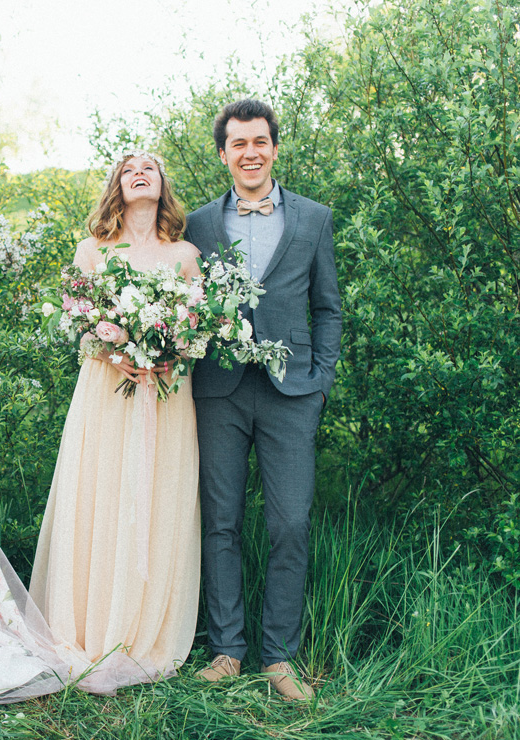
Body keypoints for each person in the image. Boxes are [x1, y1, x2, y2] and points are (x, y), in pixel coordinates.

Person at [185, 99, 342, 700]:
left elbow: (327, 307)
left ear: (275, 148)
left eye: (260, 142)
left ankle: (279, 658)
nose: (250, 152)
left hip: (291, 393)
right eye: (238, 144)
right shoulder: (198, 225)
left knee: (291, 524)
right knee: (220, 522)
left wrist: (320, 379)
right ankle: (227, 649)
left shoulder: (313, 218)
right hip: (218, 390)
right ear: (223, 154)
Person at [29, 152, 202, 692]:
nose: (141, 172)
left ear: (163, 184)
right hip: (106, 393)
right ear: (118, 187)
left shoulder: (186, 254)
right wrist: (114, 352)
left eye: (151, 166)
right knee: (100, 495)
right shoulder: (92, 251)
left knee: (157, 498)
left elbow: (198, 328)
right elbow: (77, 323)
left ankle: (142, 628)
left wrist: (170, 351)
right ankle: (87, 625)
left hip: (166, 397)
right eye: (130, 169)